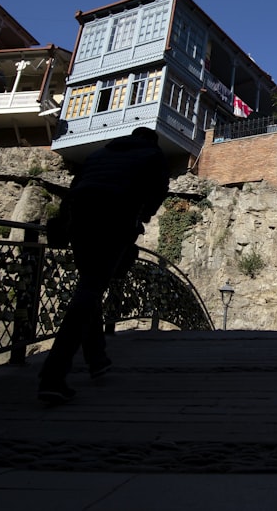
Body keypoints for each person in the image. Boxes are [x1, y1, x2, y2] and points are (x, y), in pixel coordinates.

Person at [38, 126, 170, 404]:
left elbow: (74, 189)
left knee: (89, 287)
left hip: (80, 219)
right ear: (151, 140)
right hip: (115, 219)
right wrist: (141, 216)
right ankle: (53, 374)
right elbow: (157, 193)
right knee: (90, 290)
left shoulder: (99, 154)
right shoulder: (153, 155)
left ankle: (96, 358)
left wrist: (65, 222)